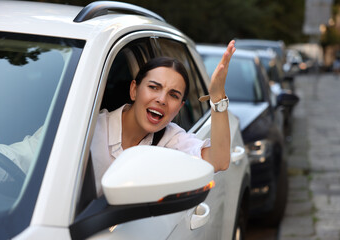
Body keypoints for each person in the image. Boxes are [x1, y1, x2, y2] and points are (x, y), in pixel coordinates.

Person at [91, 40, 236, 195]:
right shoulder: (90, 130)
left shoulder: (170, 139)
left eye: (173, 95)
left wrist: (217, 96)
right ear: (134, 90)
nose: (161, 99)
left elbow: (219, 161)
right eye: (154, 87)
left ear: (180, 108)